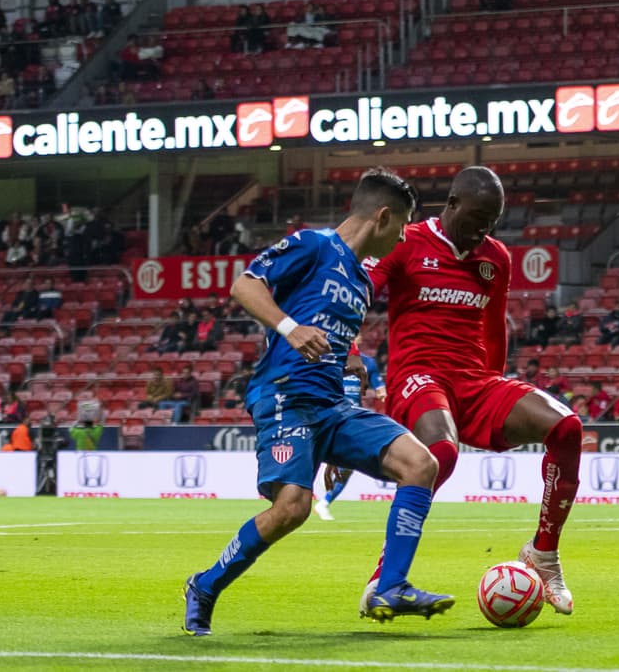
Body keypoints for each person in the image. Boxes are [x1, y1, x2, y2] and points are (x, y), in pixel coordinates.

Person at [183, 168, 450, 636]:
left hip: (332, 405)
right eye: (403, 224)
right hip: (285, 394)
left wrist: (350, 384)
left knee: (420, 464)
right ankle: (205, 585)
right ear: (382, 217)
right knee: (293, 508)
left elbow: (334, 346)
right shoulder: (313, 245)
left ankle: (390, 586)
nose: (404, 236)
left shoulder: (361, 282)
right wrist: (290, 328)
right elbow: (245, 285)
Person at [361, 166, 582, 617]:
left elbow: (495, 329)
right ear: (452, 203)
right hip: (418, 376)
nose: (484, 230)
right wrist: (348, 354)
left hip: (475, 381)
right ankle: (384, 579)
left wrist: (495, 399)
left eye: (492, 222)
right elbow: (356, 295)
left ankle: (543, 553)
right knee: (442, 450)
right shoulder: (406, 242)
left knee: (567, 427)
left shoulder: (495, 256)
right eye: (478, 219)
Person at [316, 337, 387, 522]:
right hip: (329, 413)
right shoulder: (329, 358)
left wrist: (385, 395)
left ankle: (324, 502)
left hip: (351, 417)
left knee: (349, 466)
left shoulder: (368, 363)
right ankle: (317, 494)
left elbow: (381, 391)